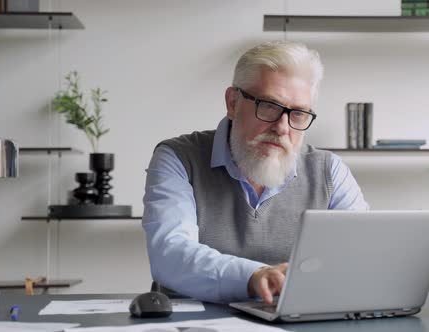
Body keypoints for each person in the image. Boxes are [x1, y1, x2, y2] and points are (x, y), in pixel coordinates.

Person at [142, 40, 368, 305]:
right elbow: (169, 255)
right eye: (269, 106)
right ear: (232, 102)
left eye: (298, 114)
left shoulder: (329, 171)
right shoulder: (178, 157)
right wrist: (255, 276)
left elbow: (358, 257)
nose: (283, 128)